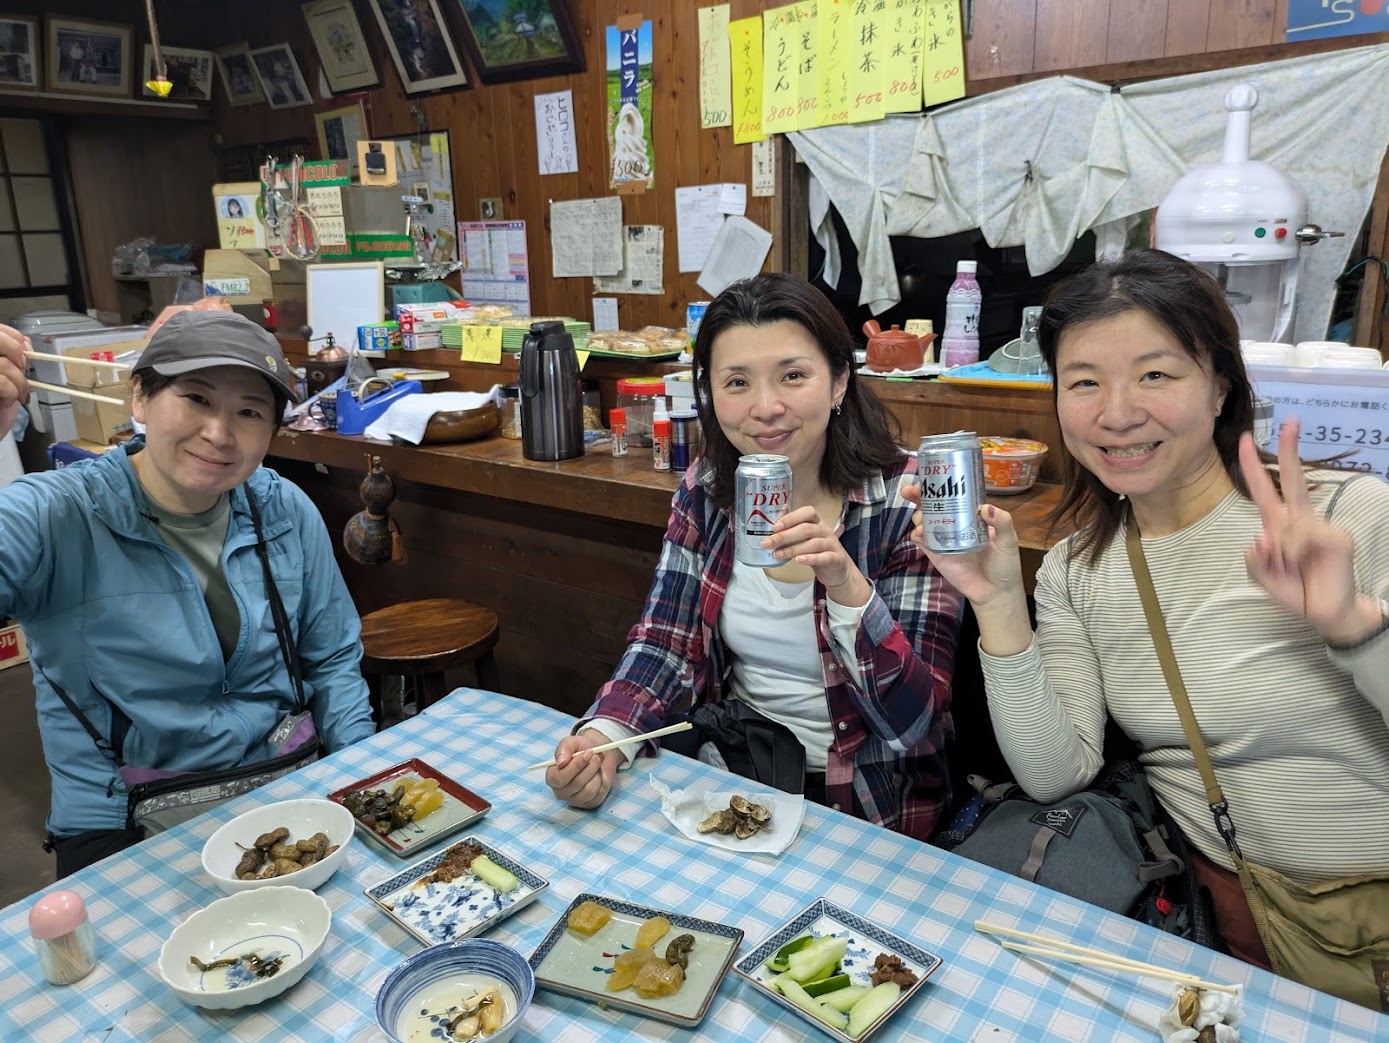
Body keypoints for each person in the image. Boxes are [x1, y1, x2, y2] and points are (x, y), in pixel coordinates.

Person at [905, 249, 1389, 969]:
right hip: (1219, 926)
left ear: (1220, 386)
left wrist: (1356, 629)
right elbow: (1053, 772)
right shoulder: (1076, 569)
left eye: (1154, 374)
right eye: (1083, 382)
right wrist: (997, 599)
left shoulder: (1349, 515)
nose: (1117, 412)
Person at [545, 273, 963, 841]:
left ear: (840, 381)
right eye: (737, 382)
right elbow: (666, 643)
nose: (766, 408)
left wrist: (847, 588)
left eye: (793, 376)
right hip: (738, 780)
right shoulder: (708, 488)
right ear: (710, 396)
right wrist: (606, 737)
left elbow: (912, 724)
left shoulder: (911, 498)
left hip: (870, 805)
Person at [0, 310, 375, 876]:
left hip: (286, 788)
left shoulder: (284, 508)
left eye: (249, 411)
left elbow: (333, 660)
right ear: (140, 398)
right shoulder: (52, 514)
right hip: (124, 819)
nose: (220, 434)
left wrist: (362, 778)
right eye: (196, 398)